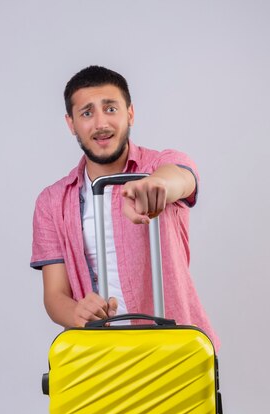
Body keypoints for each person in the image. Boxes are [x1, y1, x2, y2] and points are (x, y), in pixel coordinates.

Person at [30, 65, 219, 349]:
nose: (100, 124)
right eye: (87, 113)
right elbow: (55, 295)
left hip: (176, 348)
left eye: (110, 109)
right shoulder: (52, 202)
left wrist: (155, 186)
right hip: (104, 356)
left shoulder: (159, 165)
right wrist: (76, 312)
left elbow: (182, 177)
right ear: (71, 124)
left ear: (130, 113)